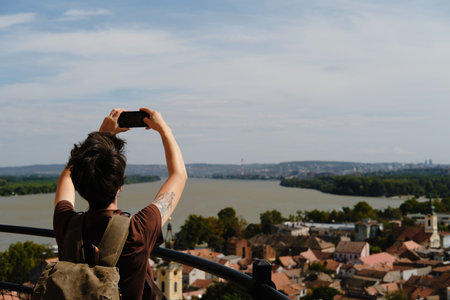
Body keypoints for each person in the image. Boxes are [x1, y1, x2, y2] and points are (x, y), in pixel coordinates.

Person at [53, 108, 187, 299]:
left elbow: (66, 177)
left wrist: (100, 137)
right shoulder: (137, 230)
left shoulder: (65, 224)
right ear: (120, 185)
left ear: (80, 186)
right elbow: (179, 175)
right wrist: (164, 129)